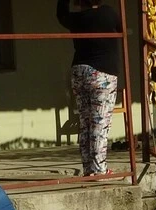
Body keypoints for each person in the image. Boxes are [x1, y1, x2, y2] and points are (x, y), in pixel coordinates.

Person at [57, 0, 122, 176]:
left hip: (79, 71)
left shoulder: (76, 19)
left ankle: (89, 169)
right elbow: (121, 25)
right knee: (99, 123)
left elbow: (61, 15)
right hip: (102, 73)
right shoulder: (108, 13)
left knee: (85, 123)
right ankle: (99, 169)